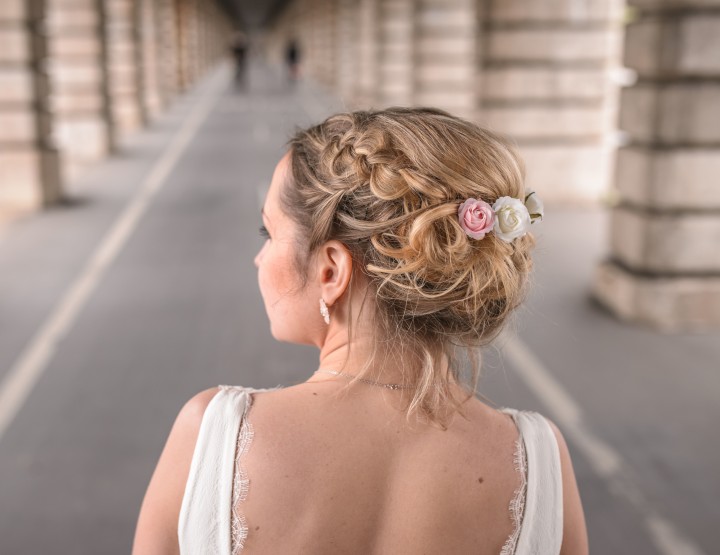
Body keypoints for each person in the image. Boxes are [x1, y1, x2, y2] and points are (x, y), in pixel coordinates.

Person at [132, 107, 588, 554]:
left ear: (332, 271)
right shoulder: (540, 459)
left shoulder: (213, 434)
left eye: (268, 233)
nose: (259, 258)